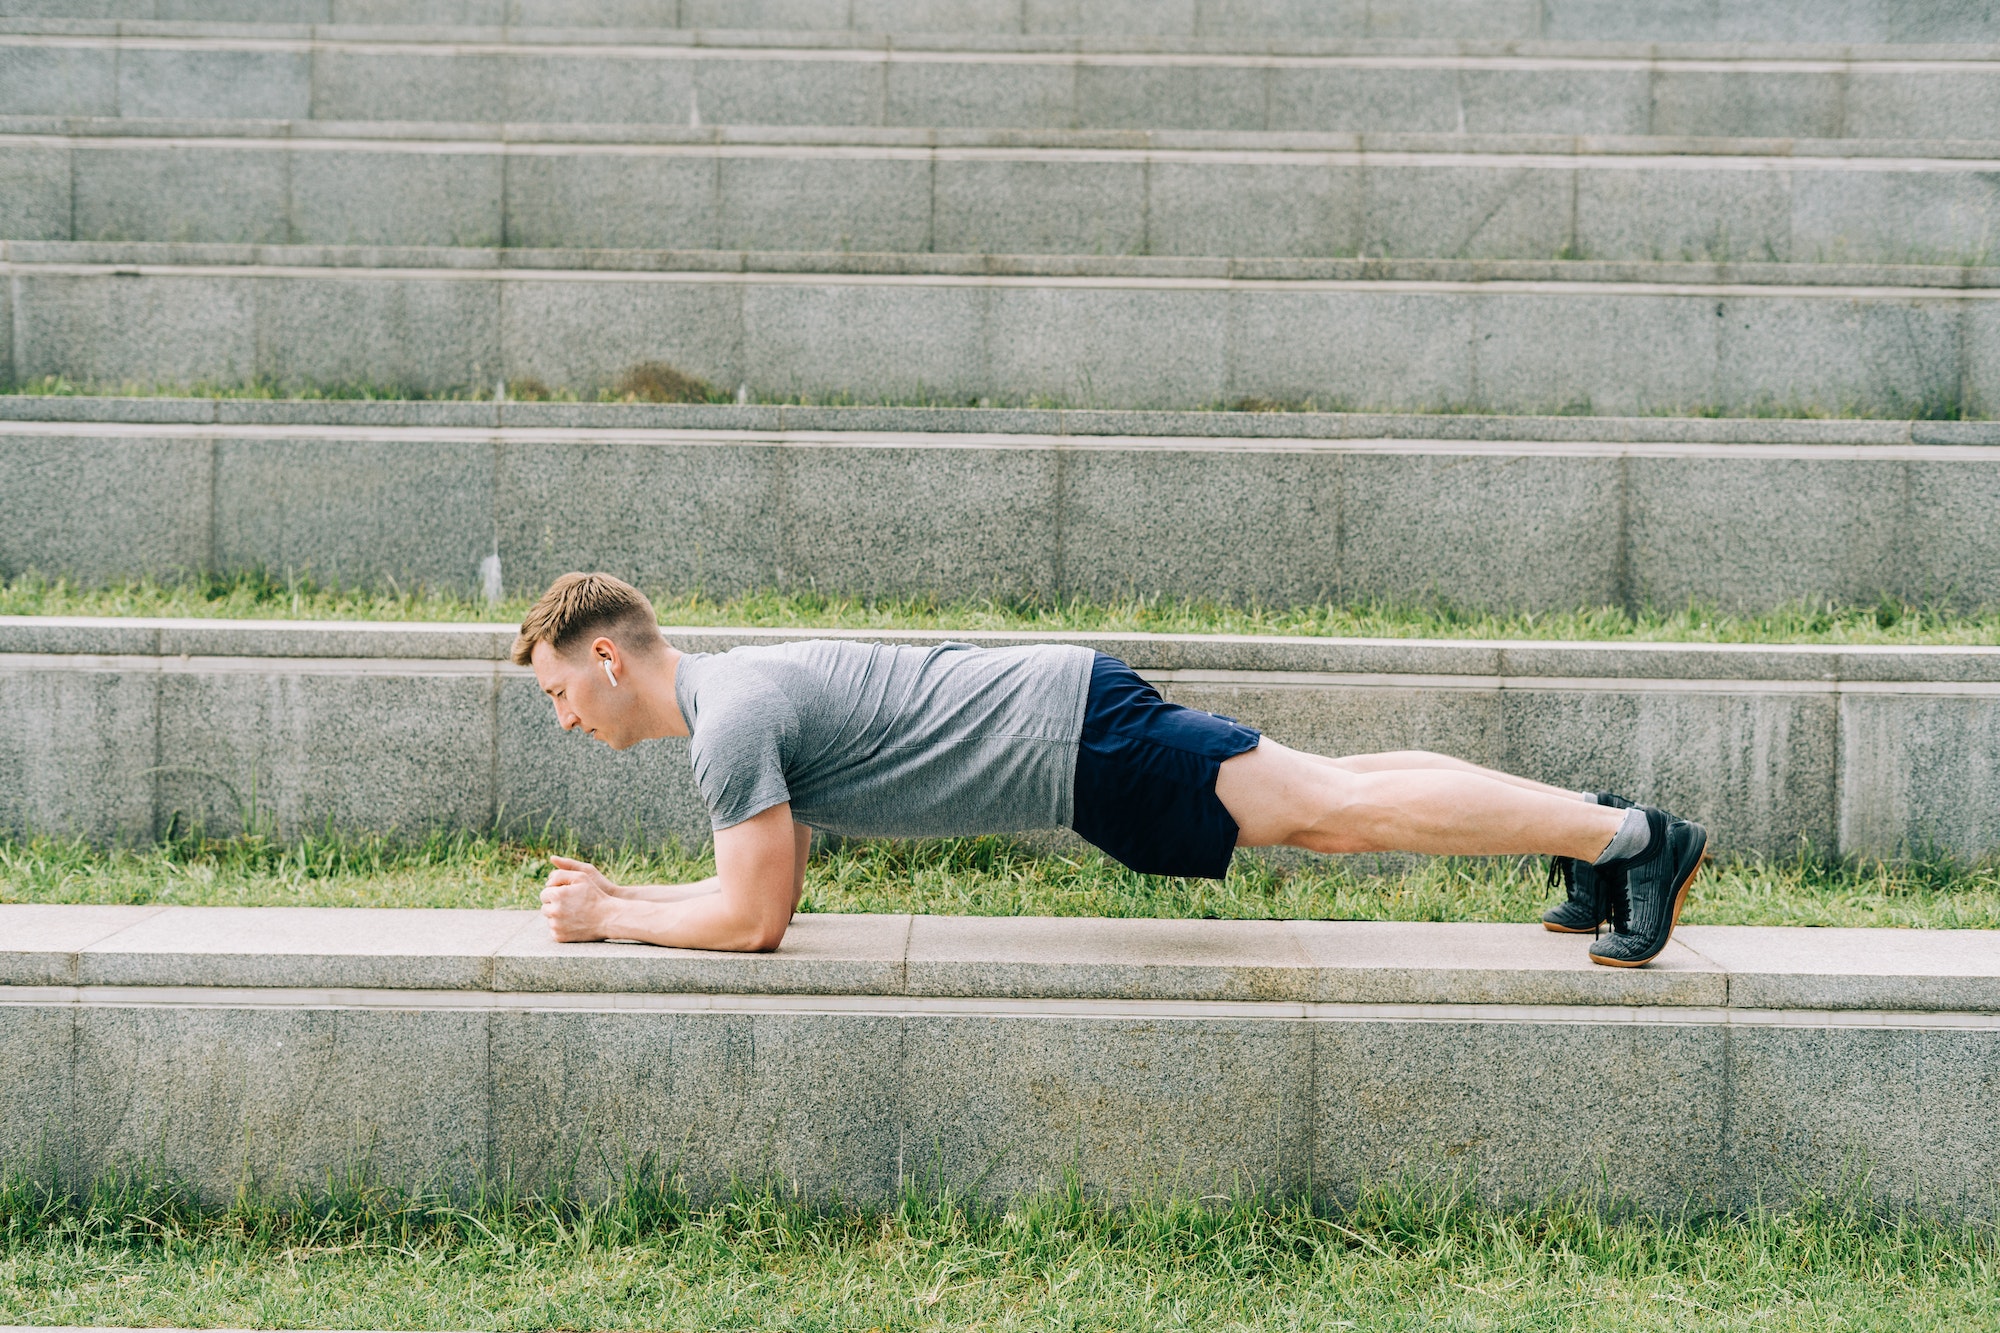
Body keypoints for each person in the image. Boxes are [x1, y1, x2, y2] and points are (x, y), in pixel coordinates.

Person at [519, 573, 1706, 967]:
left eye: (561, 692)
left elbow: (757, 915)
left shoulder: (728, 720)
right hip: (1067, 726)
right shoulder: (735, 693)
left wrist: (615, 913)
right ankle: (1594, 831)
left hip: (1074, 743)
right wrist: (627, 905)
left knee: (1336, 811)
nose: (566, 719)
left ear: (609, 657)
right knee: (1332, 793)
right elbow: (763, 885)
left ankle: (1633, 842)